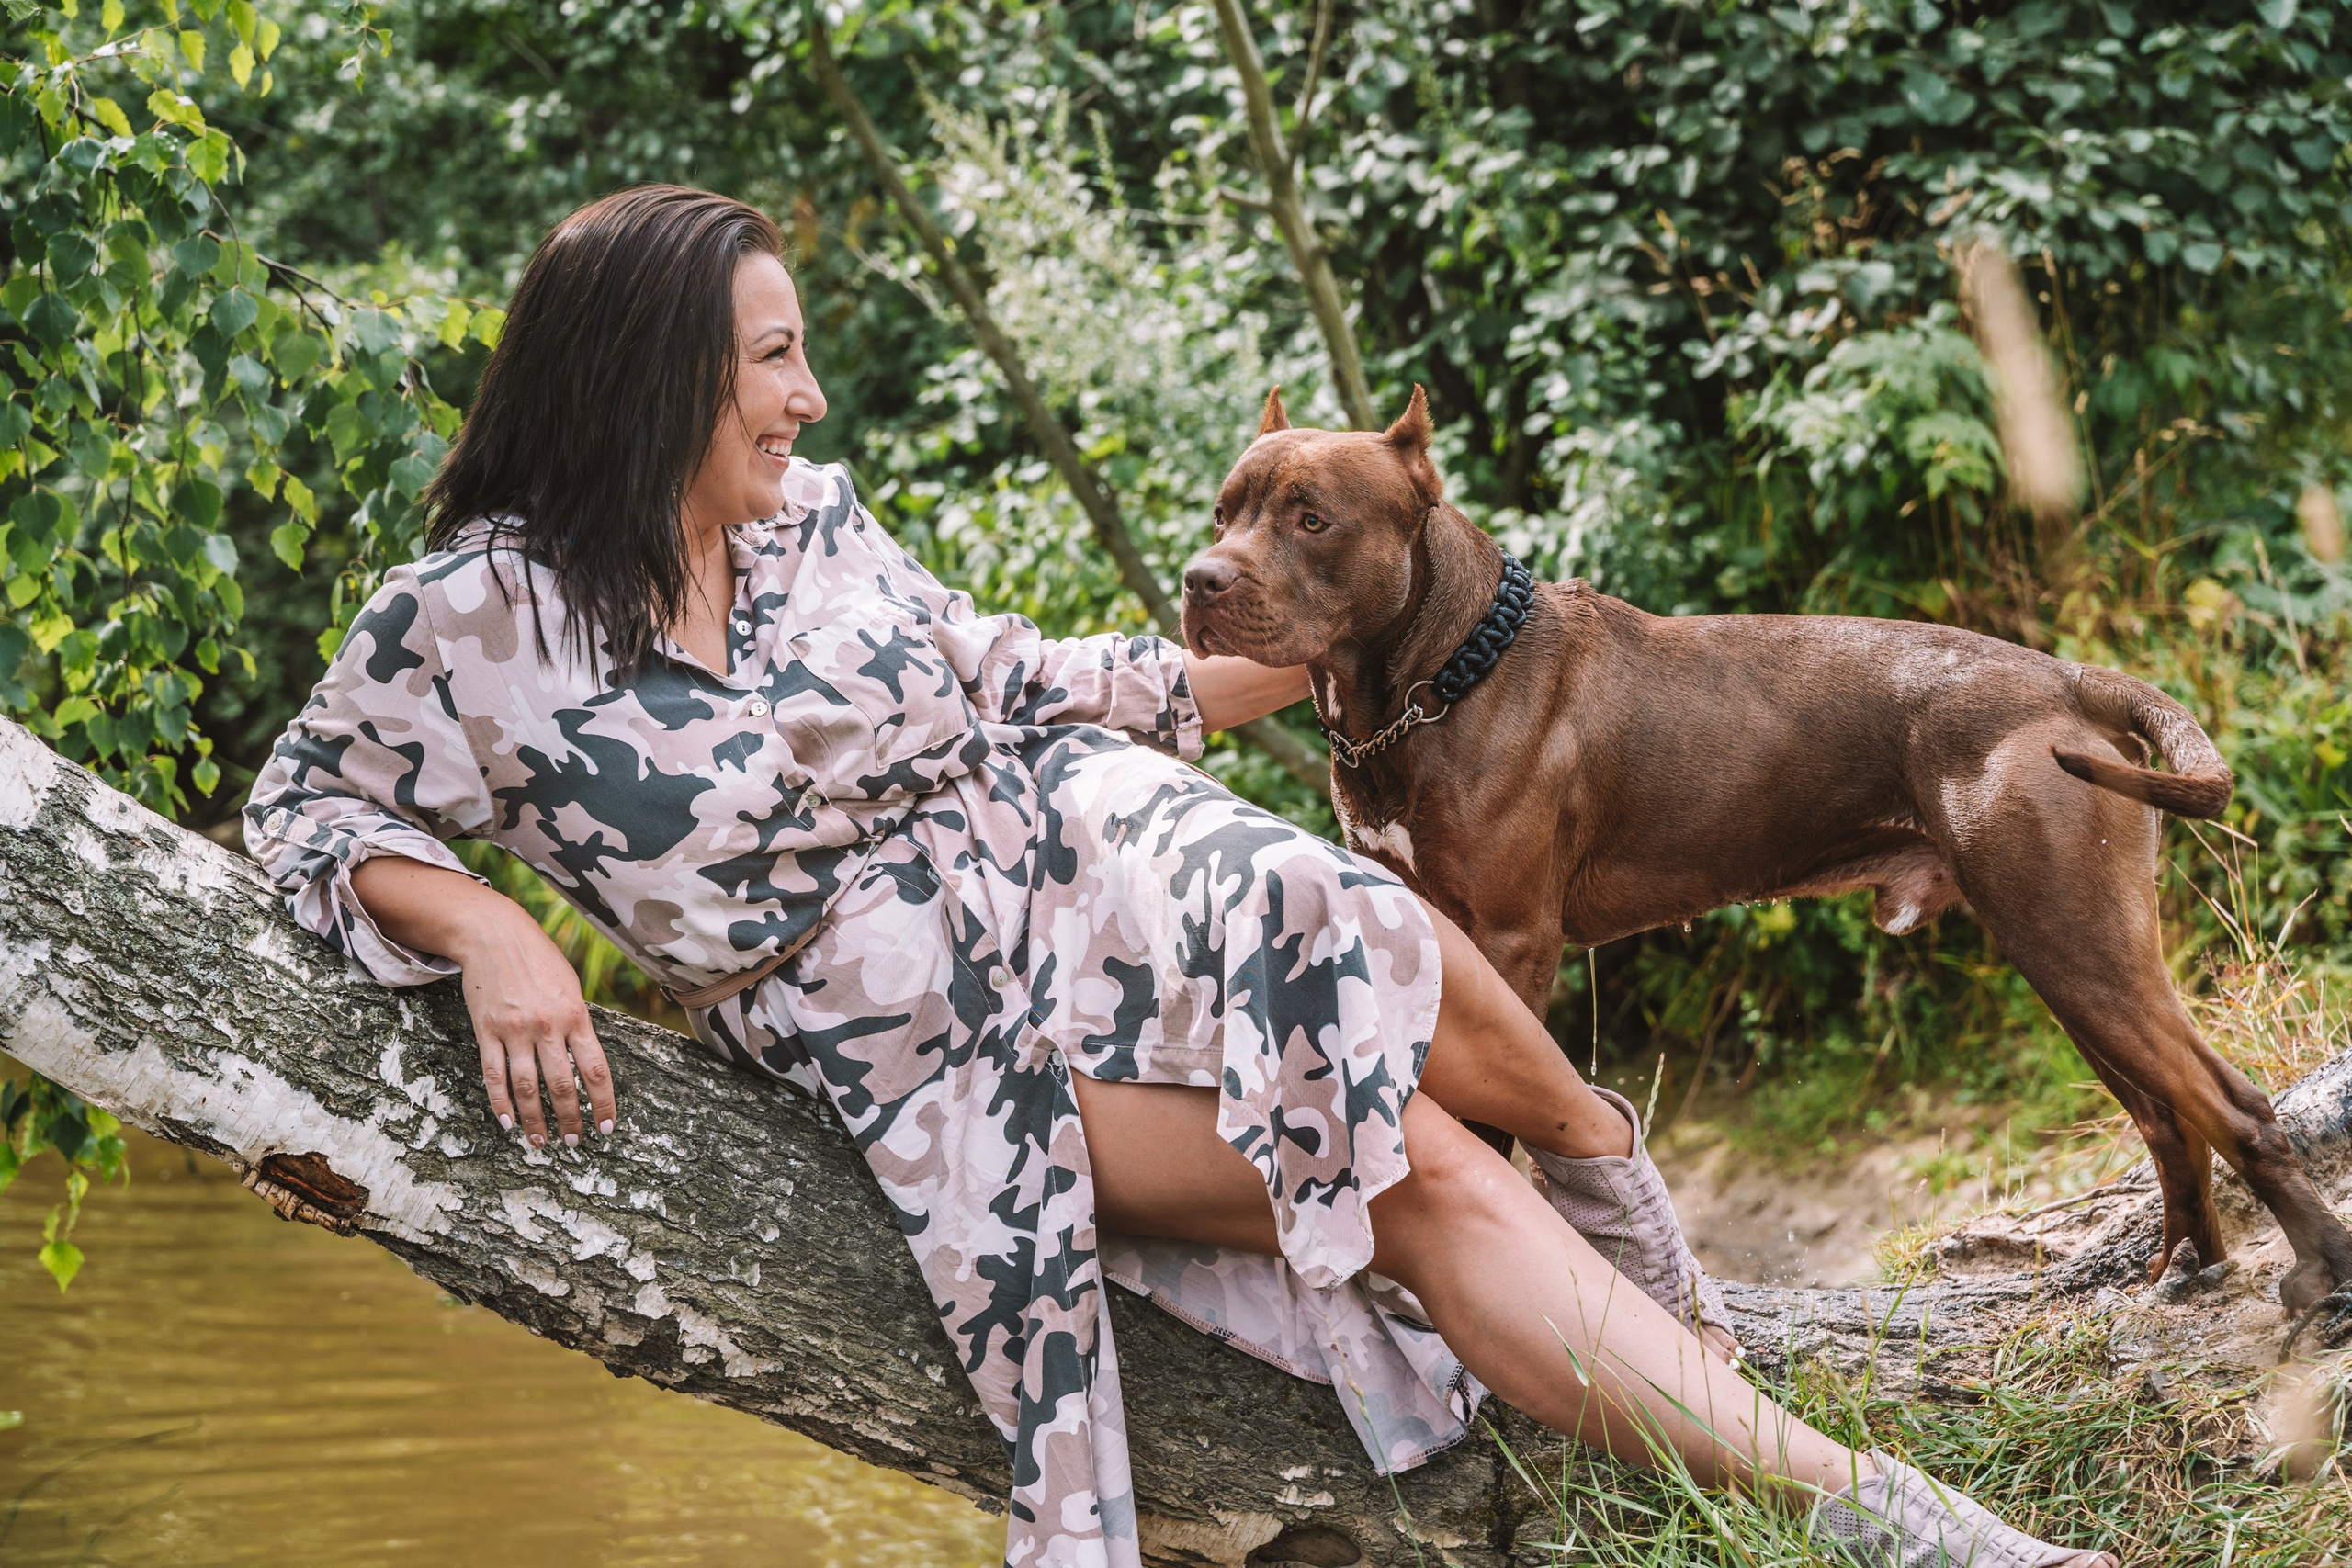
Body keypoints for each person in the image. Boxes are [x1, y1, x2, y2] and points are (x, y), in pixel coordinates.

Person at [243, 185, 2115, 1568]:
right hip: (914, 1026)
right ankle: (1906, 1525)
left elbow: (1018, 681)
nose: (809, 399)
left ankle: (1629, 1215)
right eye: (776, 355)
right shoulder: (466, 619)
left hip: (1075, 841)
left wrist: (1367, 635)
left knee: (1358, 919)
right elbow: (307, 809)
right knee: (1408, 1167)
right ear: (654, 377)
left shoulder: (810, 522)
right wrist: (487, 921)